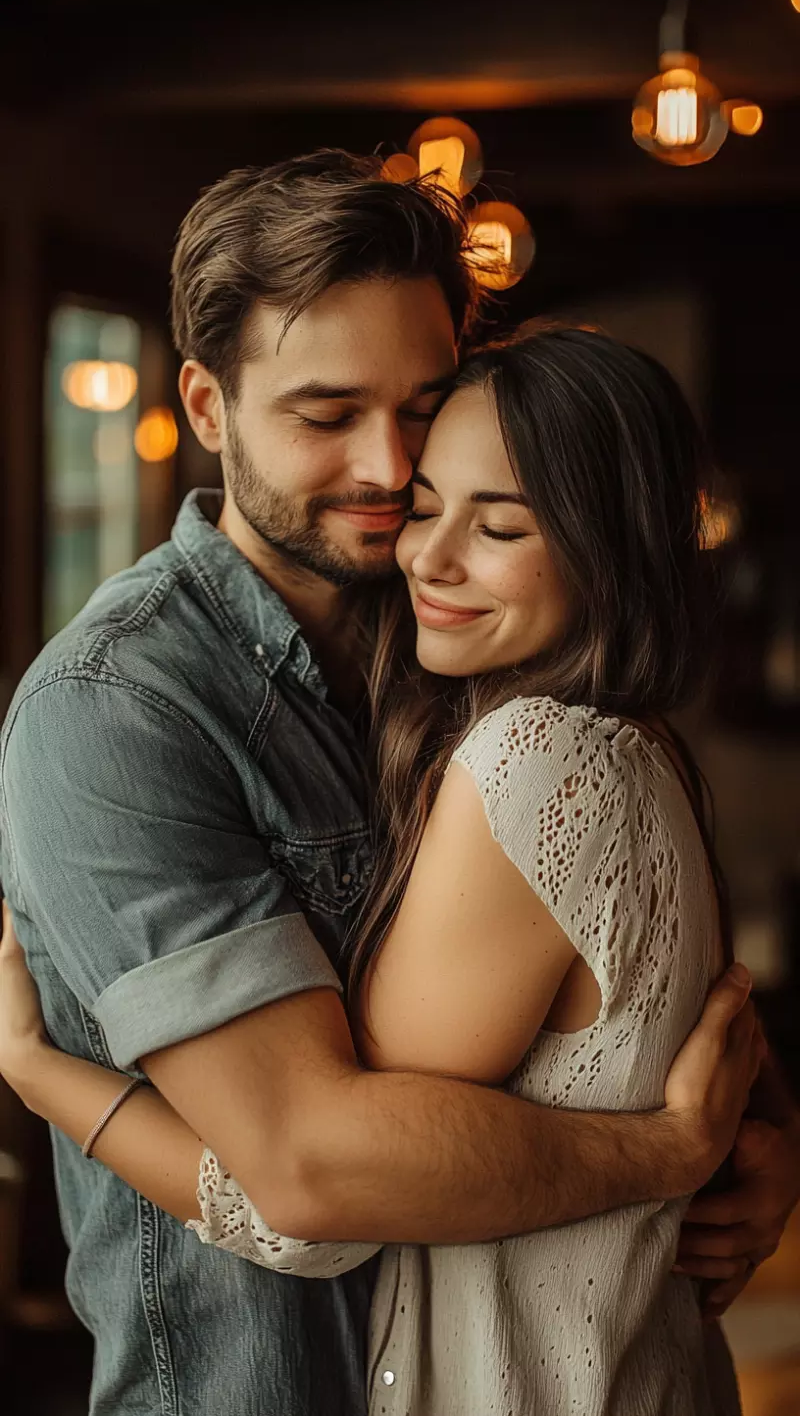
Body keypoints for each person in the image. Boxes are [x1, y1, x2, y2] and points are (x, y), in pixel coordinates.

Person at [0, 151, 794, 1416]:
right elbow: (312, 1168)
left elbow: (612, 990)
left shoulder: (459, 639)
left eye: (420, 407)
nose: (385, 472)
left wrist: (746, 1140)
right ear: (205, 405)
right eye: (324, 415)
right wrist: (655, 1154)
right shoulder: (117, 709)